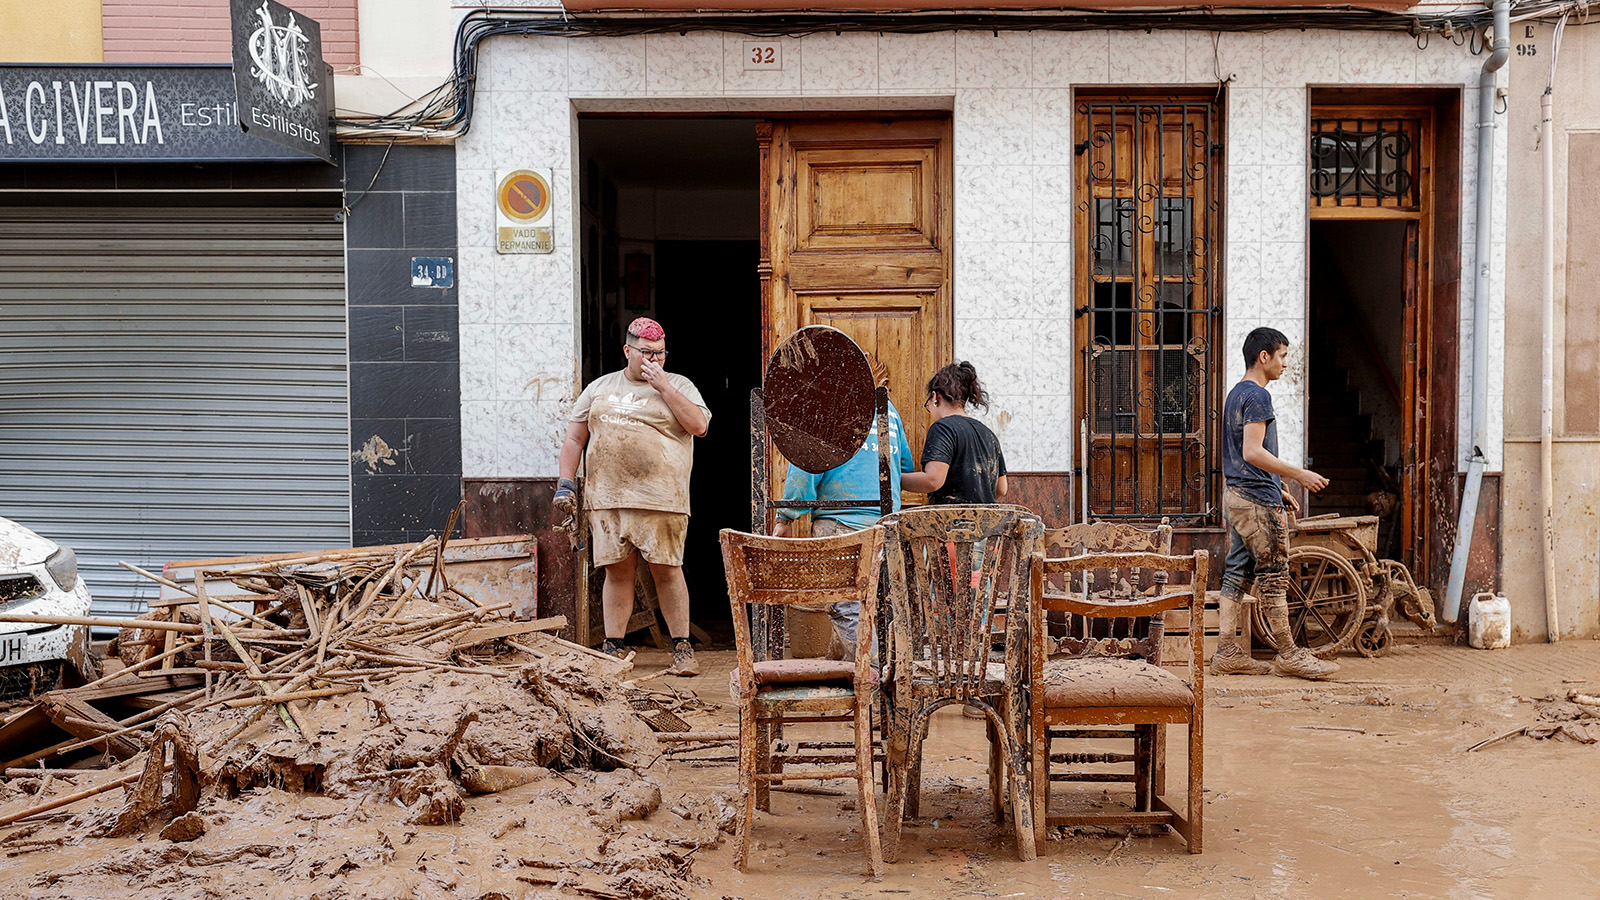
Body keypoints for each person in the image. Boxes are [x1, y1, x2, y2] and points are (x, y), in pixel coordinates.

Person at [553, 317, 710, 675]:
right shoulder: (599, 388)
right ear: (628, 351)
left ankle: (682, 648)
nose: (654, 360)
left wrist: (665, 387)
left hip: (662, 500)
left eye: (660, 354)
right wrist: (565, 482)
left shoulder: (680, 385)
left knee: (668, 572)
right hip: (607, 500)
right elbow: (575, 439)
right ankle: (614, 648)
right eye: (646, 353)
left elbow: (699, 427)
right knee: (617, 574)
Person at [1211, 327, 1339, 681]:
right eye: (1281, 355)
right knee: (1275, 574)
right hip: (1255, 501)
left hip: (1238, 496)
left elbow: (1241, 454)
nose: (1285, 363)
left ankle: (1226, 652)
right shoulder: (1258, 397)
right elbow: (1253, 451)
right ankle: (1289, 654)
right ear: (1263, 357)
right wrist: (1298, 475)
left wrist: (1277, 486)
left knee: (1237, 573)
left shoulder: (1236, 394)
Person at [771, 358, 915, 660]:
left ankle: (870, 673)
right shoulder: (890, 414)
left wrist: (786, 515)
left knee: (845, 604)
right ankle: (844, 664)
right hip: (885, 526)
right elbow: (901, 469)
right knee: (875, 603)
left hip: (841, 525)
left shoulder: (826, 411)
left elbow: (805, 470)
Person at [901, 361, 1008, 502]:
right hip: (987, 522)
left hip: (952, 522)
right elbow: (1001, 489)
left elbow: (932, 480)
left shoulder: (943, 428)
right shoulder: (988, 434)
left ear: (935, 397)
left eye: (928, 406)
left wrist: (892, 479)